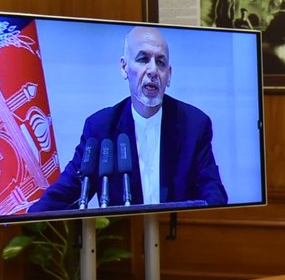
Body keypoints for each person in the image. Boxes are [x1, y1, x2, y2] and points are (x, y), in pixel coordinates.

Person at [30, 26, 227, 212]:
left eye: (160, 62)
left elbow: (214, 195)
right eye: (143, 59)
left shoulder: (193, 125)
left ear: (169, 74)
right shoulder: (101, 127)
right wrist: (20, 223)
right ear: (124, 68)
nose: (152, 71)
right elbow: (67, 191)